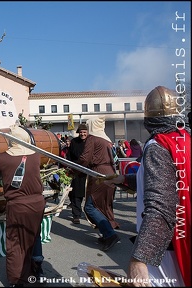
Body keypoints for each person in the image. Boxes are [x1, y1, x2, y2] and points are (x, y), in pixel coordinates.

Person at [105, 86, 191, 286]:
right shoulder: (184, 139)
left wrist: (140, 258)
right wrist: (126, 179)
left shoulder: (158, 146)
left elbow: (160, 205)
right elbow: (172, 182)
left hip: (167, 249)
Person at [0, 125, 45, 287]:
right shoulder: (36, 155)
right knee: (33, 235)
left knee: (15, 242)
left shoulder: (4, 158)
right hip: (38, 203)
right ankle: (37, 267)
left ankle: (17, 279)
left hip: (18, 206)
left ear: (11, 141)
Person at [77, 116, 120, 251]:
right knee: (103, 205)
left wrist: (74, 169)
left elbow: (85, 158)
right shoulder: (106, 139)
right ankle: (107, 233)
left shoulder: (92, 139)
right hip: (110, 172)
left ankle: (110, 234)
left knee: (90, 206)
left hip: (99, 173)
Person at [66, 123, 88, 224]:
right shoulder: (74, 142)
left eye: (84, 132)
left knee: (87, 194)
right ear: (78, 133)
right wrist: (70, 167)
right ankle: (76, 215)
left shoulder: (90, 142)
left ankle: (89, 215)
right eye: (81, 132)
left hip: (87, 171)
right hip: (76, 170)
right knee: (75, 194)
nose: (83, 134)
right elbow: (70, 155)